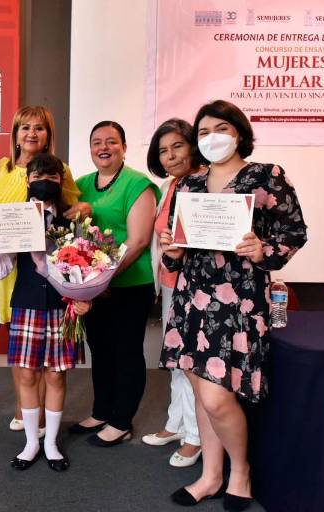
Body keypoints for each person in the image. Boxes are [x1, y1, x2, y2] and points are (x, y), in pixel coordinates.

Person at [159, 100, 307, 509]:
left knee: (217, 397)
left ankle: (239, 472)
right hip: (192, 298)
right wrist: (171, 250)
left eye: (220, 129)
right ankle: (211, 476)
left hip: (238, 298)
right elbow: (176, 249)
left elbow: (294, 231)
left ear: (239, 132)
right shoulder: (189, 184)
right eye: (203, 132)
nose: (212, 138)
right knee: (200, 388)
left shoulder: (266, 176)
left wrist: (264, 251)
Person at [0, 153, 91, 472]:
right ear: (28, 180)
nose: (45, 182)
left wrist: (86, 298)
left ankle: (51, 443)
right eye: (39, 176)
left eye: (52, 177)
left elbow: (88, 266)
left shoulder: (74, 219)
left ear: (61, 181)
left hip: (61, 306)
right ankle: (31, 442)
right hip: (26, 303)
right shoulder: (14, 216)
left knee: (56, 375)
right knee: (27, 374)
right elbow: (1, 269)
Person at [0, 106, 87, 434]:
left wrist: (83, 210)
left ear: (48, 135)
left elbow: (70, 211)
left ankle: (41, 416)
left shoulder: (61, 169)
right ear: (15, 134)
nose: (31, 133)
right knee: (22, 348)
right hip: (10, 265)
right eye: (25, 127)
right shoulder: (1, 169)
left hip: (49, 269)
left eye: (39, 128)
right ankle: (24, 408)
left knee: (51, 361)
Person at [70, 121, 159, 447]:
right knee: (100, 349)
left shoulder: (138, 184)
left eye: (111, 141)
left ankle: (121, 421)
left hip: (130, 284)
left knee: (126, 352)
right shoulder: (81, 184)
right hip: (95, 288)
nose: (103, 147)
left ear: (123, 146)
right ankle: (101, 411)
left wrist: (102, 278)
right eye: (97, 142)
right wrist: (88, 283)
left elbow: (138, 241)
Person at [142, 119, 202, 467]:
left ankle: (196, 436)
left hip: (196, 288)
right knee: (176, 359)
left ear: (193, 146)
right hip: (170, 283)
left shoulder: (207, 184)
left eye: (178, 146)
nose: (171, 156)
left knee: (192, 361)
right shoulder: (169, 185)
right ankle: (176, 423)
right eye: (163, 151)